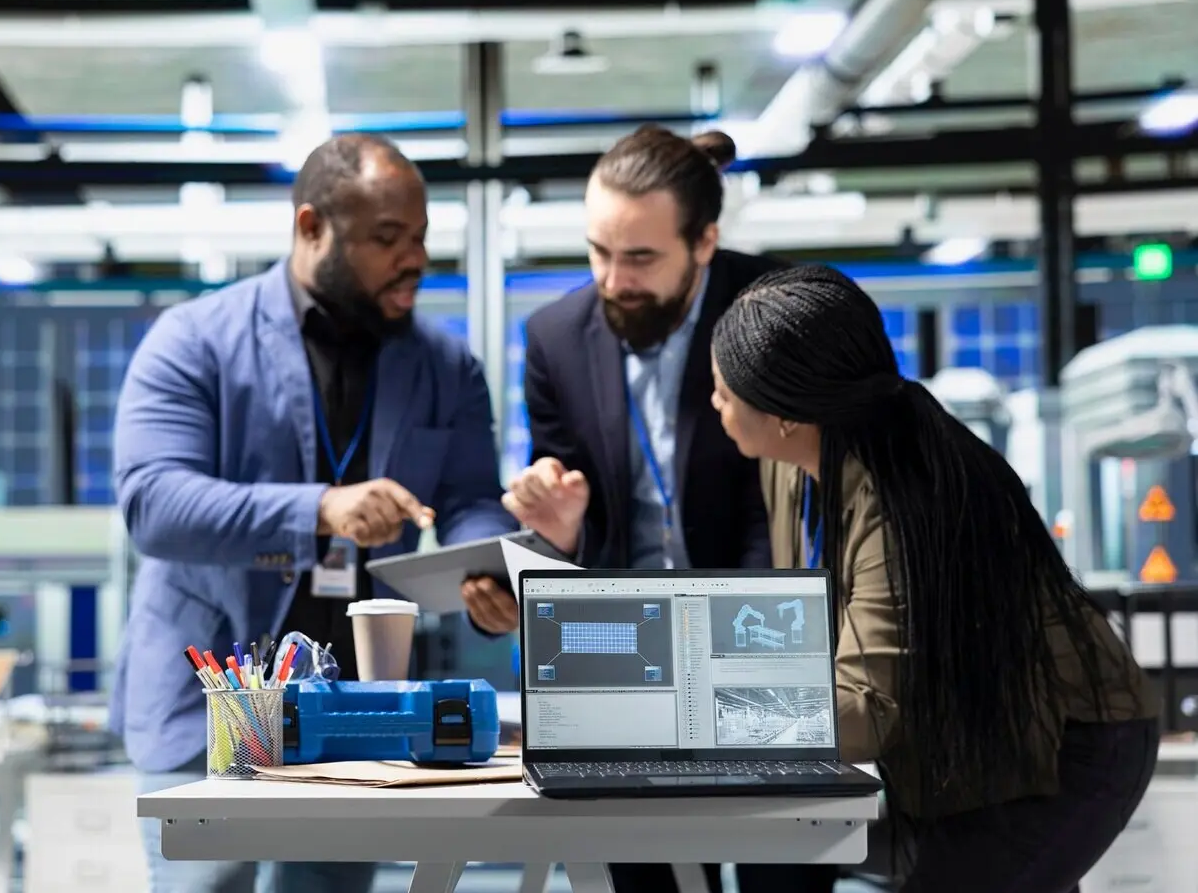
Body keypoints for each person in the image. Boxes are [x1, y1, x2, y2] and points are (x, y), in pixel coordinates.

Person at [112, 132, 521, 893]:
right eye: (388, 239)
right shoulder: (195, 341)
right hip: (212, 703)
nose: (416, 259)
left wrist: (487, 571)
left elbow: (468, 501)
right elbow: (154, 503)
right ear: (311, 229)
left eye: (423, 237)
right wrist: (324, 509)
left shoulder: (444, 365)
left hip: (357, 714)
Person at [708, 264, 1160, 893]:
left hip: (1071, 745)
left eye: (724, 392)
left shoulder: (897, 498)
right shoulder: (793, 464)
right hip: (977, 744)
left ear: (786, 412)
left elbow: (866, 708)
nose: (715, 404)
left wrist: (704, 715)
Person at [501, 125, 821, 893]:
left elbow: (782, 493)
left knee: (786, 876)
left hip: (766, 636)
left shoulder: (772, 310)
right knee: (651, 881)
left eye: (641, 258)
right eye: (598, 252)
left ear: (704, 241)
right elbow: (584, 532)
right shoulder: (553, 339)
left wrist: (739, 647)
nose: (614, 280)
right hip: (625, 663)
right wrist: (563, 529)